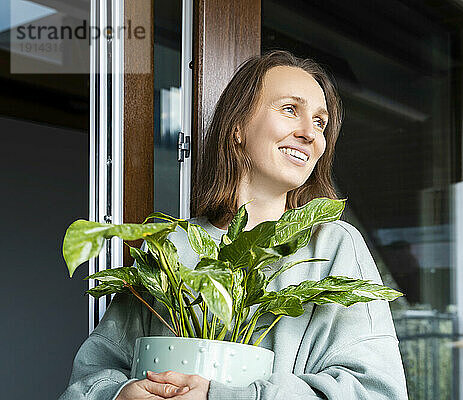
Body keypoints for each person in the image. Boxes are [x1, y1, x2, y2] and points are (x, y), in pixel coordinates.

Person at [59, 50, 409, 400]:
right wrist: (120, 394)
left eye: (320, 123)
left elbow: (377, 392)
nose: (311, 134)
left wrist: (225, 395)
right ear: (237, 126)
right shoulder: (170, 247)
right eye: (290, 109)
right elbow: (89, 379)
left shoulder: (333, 246)